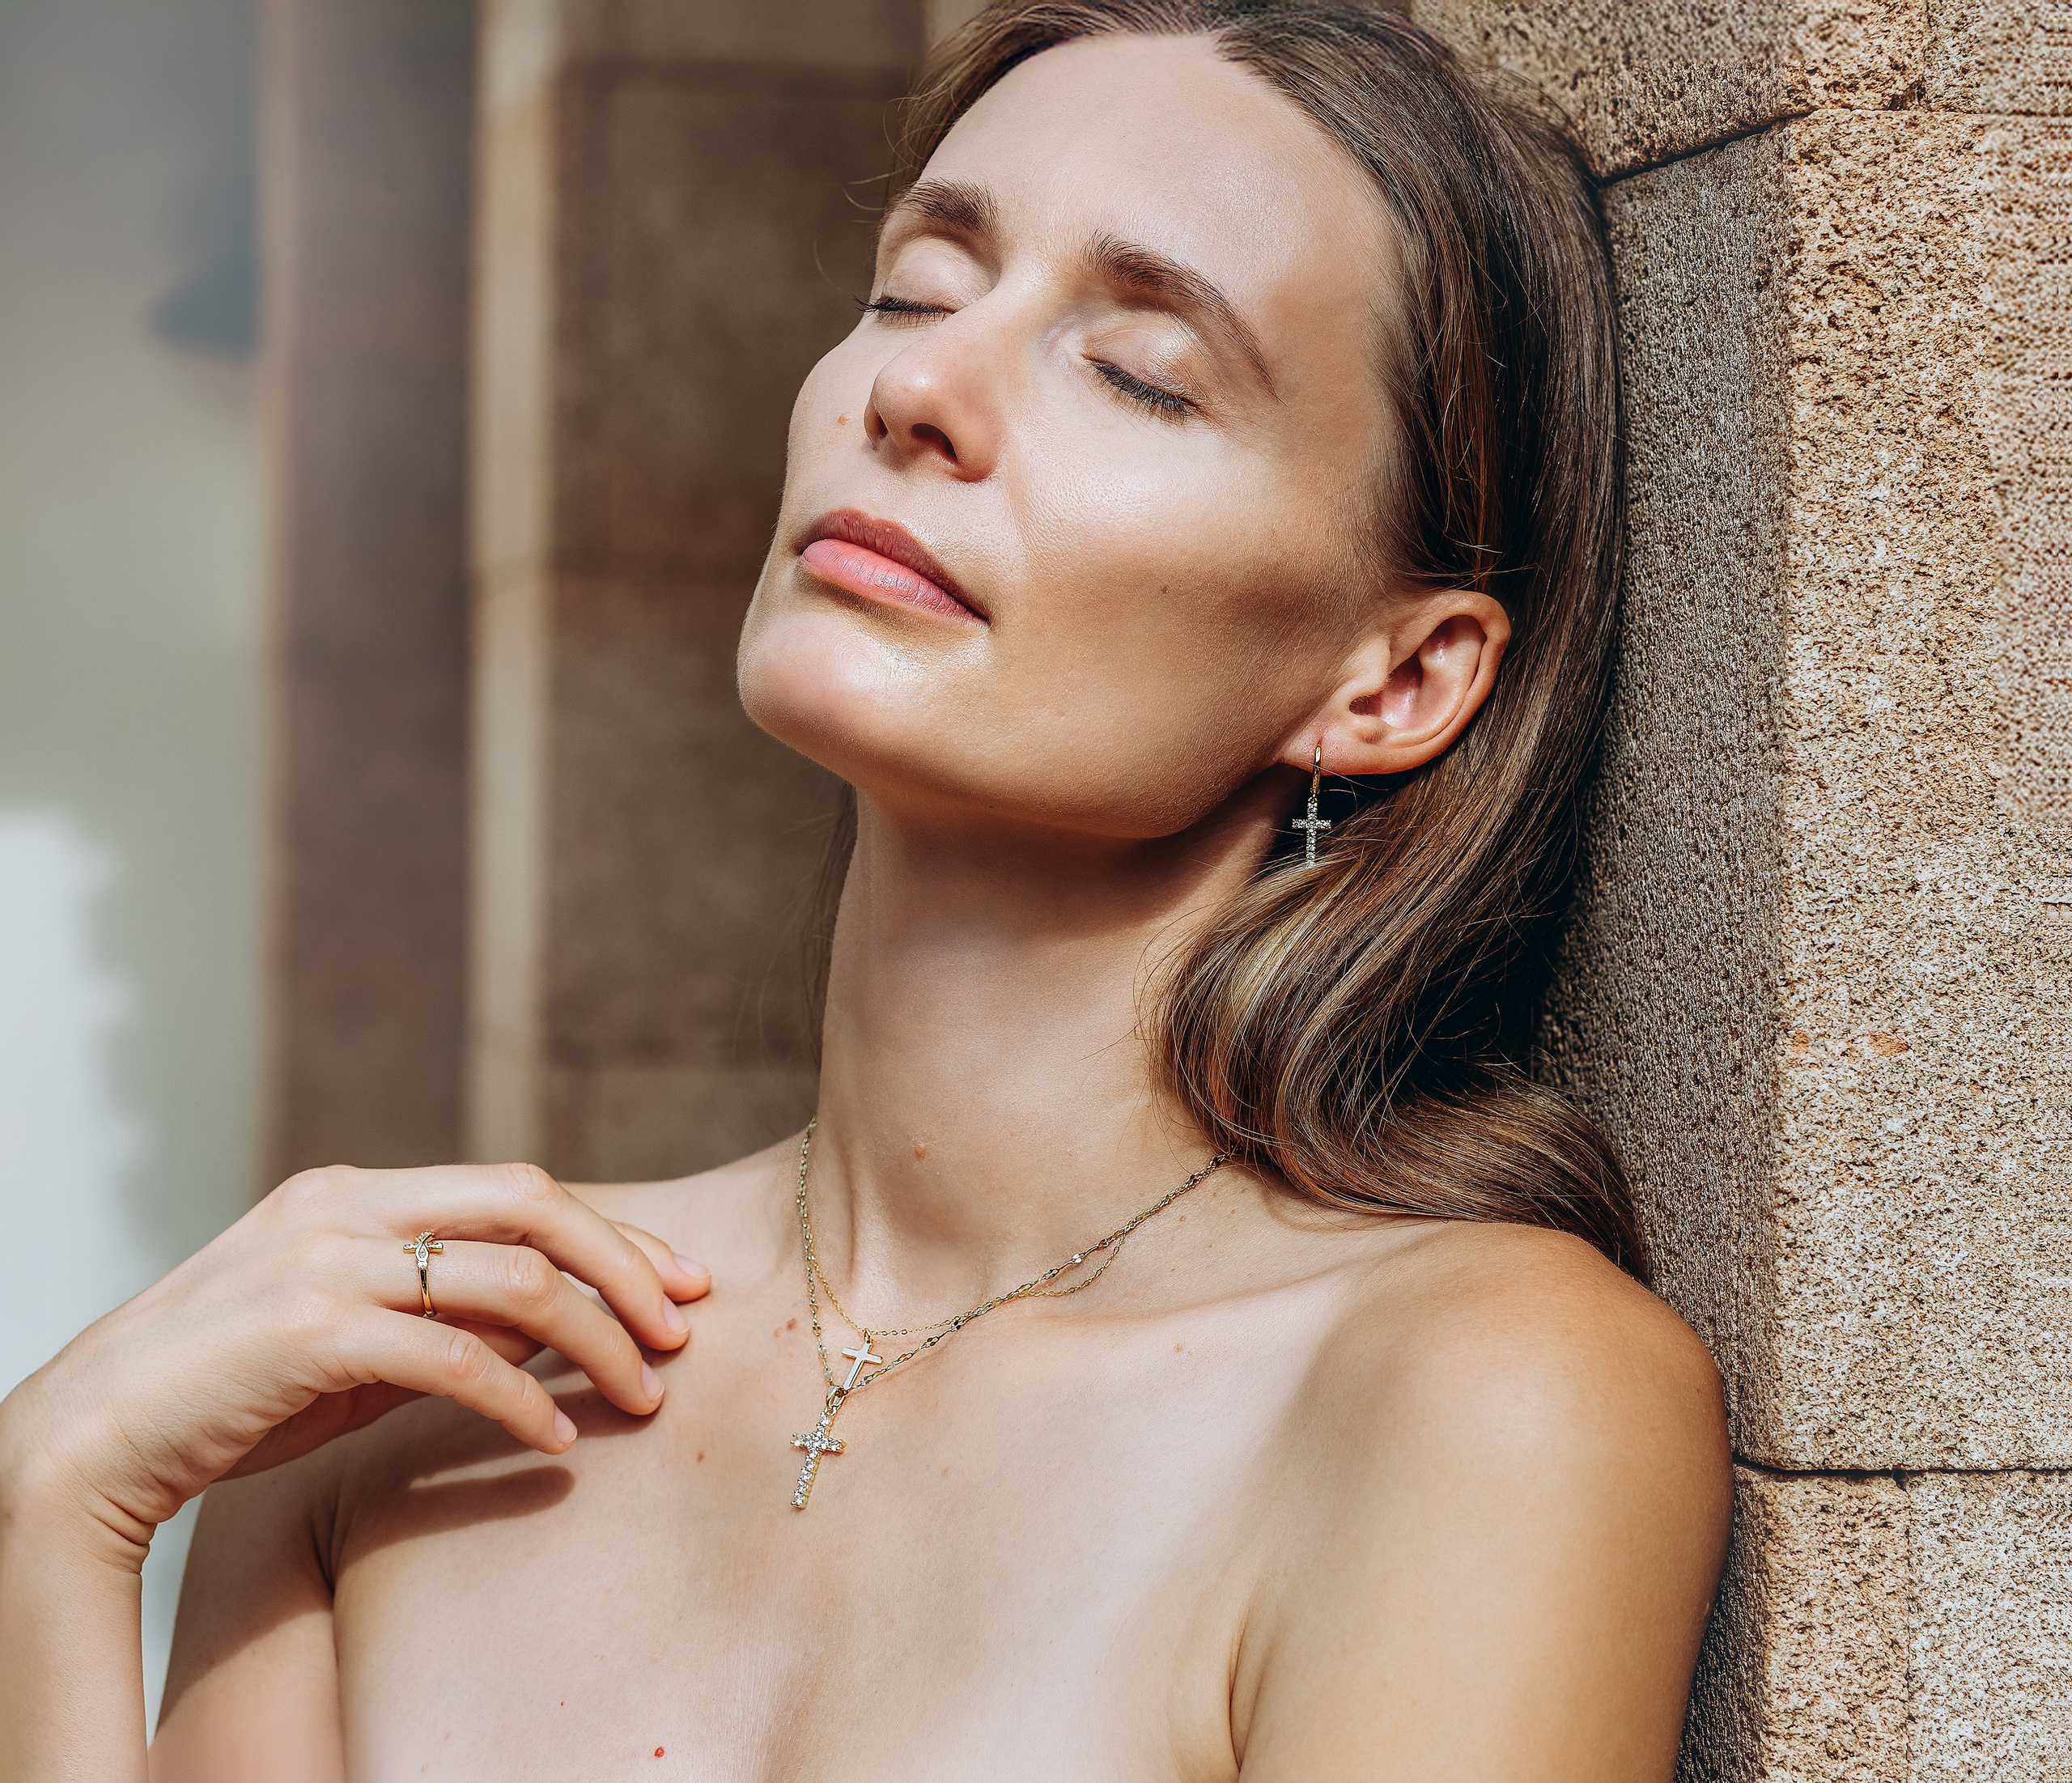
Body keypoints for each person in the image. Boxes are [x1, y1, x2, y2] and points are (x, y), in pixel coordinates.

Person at [0, 4, 1732, 1777]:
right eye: (915, 285)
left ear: (1391, 680)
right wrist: (54, 1515)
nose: (913, 390)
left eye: (1137, 366)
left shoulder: (1468, 1398)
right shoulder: (409, 1390)